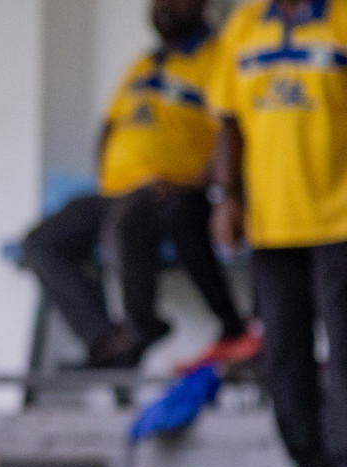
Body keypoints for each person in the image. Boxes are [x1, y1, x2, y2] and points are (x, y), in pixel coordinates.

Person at [21, 0, 258, 371]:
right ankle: (107, 339)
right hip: (114, 192)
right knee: (41, 242)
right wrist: (109, 174)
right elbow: (111, 122)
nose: (162, 6)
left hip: (169, 192)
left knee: (129, 219)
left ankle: (141, 327)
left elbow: (231, 129)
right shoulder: (143, 63)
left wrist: (196, 181)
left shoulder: (219, 59)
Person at [210, 0, 347, 467]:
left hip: (339, 218)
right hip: (271, 223)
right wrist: (226, 198)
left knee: (344, 346)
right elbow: (228, 122)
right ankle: (308, 466)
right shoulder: (244, 26)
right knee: (285, 350)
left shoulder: (341, 20)